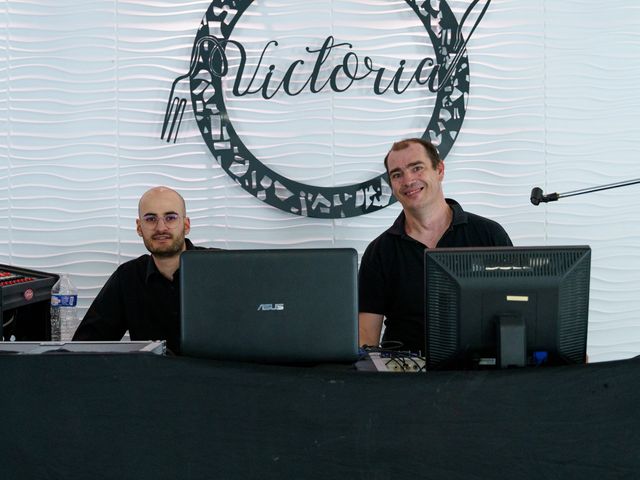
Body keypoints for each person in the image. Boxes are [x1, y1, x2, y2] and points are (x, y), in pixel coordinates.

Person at [358, 138, 513, 354]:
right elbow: (366, 339)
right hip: (405, 378)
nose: (408, 180)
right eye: (397, 174)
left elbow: (514, 311)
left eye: (417, 168)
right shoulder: (379, 252)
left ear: (439, 170)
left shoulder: (489, 234)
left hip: (480, 372)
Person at [73, 186, 210, 353]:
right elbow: (86, 345)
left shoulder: (222, 268)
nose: (161, 228)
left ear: (186, 225)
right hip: (151, 377)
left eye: (170, 218)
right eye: (151, 219)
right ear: (139, 227)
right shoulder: (127, 277)